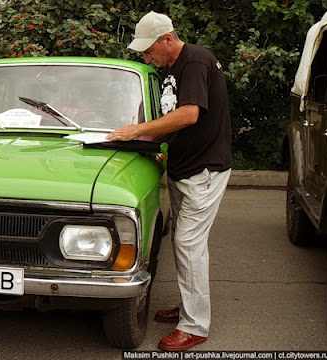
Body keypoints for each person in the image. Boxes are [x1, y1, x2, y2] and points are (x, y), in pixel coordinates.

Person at [106, 11, 232, 351]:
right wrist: (160, 146)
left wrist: (135, 131)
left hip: (203, 169)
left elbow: (189, 113)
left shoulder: (194, 62)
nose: (147, 58)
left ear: (167, 39)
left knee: (188, 245)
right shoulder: (174, 67)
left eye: (149, 50)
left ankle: (194, 325)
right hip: (185, 166)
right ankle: (192, 306)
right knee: (185, 242)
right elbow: (173, 119)